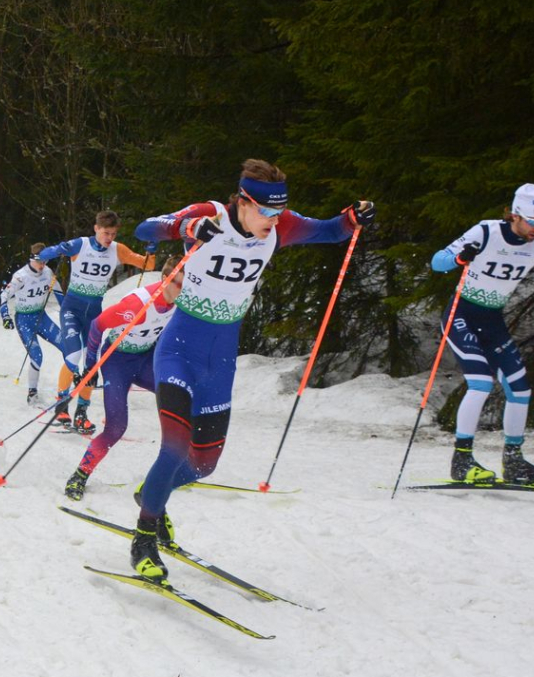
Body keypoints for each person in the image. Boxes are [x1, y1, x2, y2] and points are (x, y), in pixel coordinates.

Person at [126, 158, 371, 582]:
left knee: (204, 465)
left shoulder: (282, 226)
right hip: (179, 350)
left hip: (220, 361)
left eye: (279, 213)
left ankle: (153, 491)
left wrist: (353, 216)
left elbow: (332, 230)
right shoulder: (208, 216)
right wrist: (183, 230)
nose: (274, 221)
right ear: (243, 202)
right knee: (174, 447)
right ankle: (144, 539)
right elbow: (144, 230)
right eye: (266, 212)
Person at [431, 183, 534, 485]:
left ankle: (514, 461)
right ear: (515, 215)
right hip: (462, 314)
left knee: (520, 389)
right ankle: (461, 459)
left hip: (492, 320)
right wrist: (458, 259)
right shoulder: (486, 232)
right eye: (532, 223)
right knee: (481, 384)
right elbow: (437, 261)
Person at [62, 268, 182, 500]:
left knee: (178, 398)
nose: (184, 290)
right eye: (179, 284)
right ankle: (80, 475)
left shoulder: (179, 302)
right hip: (116, 362)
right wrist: (90, 366)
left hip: (145, 359)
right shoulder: (137, 304)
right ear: (166, 280)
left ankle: (176, 468)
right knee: (116, 427)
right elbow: (98, 325)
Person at [37, 210, 155, 433]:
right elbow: (45, 254)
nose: (108, 238)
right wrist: (52, 252)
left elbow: (147, 265)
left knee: (91, 365)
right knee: (73, 356)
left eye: (112, 233)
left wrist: (151, 250)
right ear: (96, 228)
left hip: (94, 315)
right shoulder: (81, 245)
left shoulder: (117, 249)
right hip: (72, 308)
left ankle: (82, 413)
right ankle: (61, 403)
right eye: (105, 232)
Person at [1, 244, 65, 404]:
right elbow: (4, 296)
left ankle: (76, 376)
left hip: (41, 317)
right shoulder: (21, 276)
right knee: (37, 356)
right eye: (40, 261)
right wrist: (5, 317)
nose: (43, 265)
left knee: (66, 344)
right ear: (32, 259)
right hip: (24, 320)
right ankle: (32, 392)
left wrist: (68, 313)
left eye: (45, 261)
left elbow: (58, 293)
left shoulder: (48, 272)